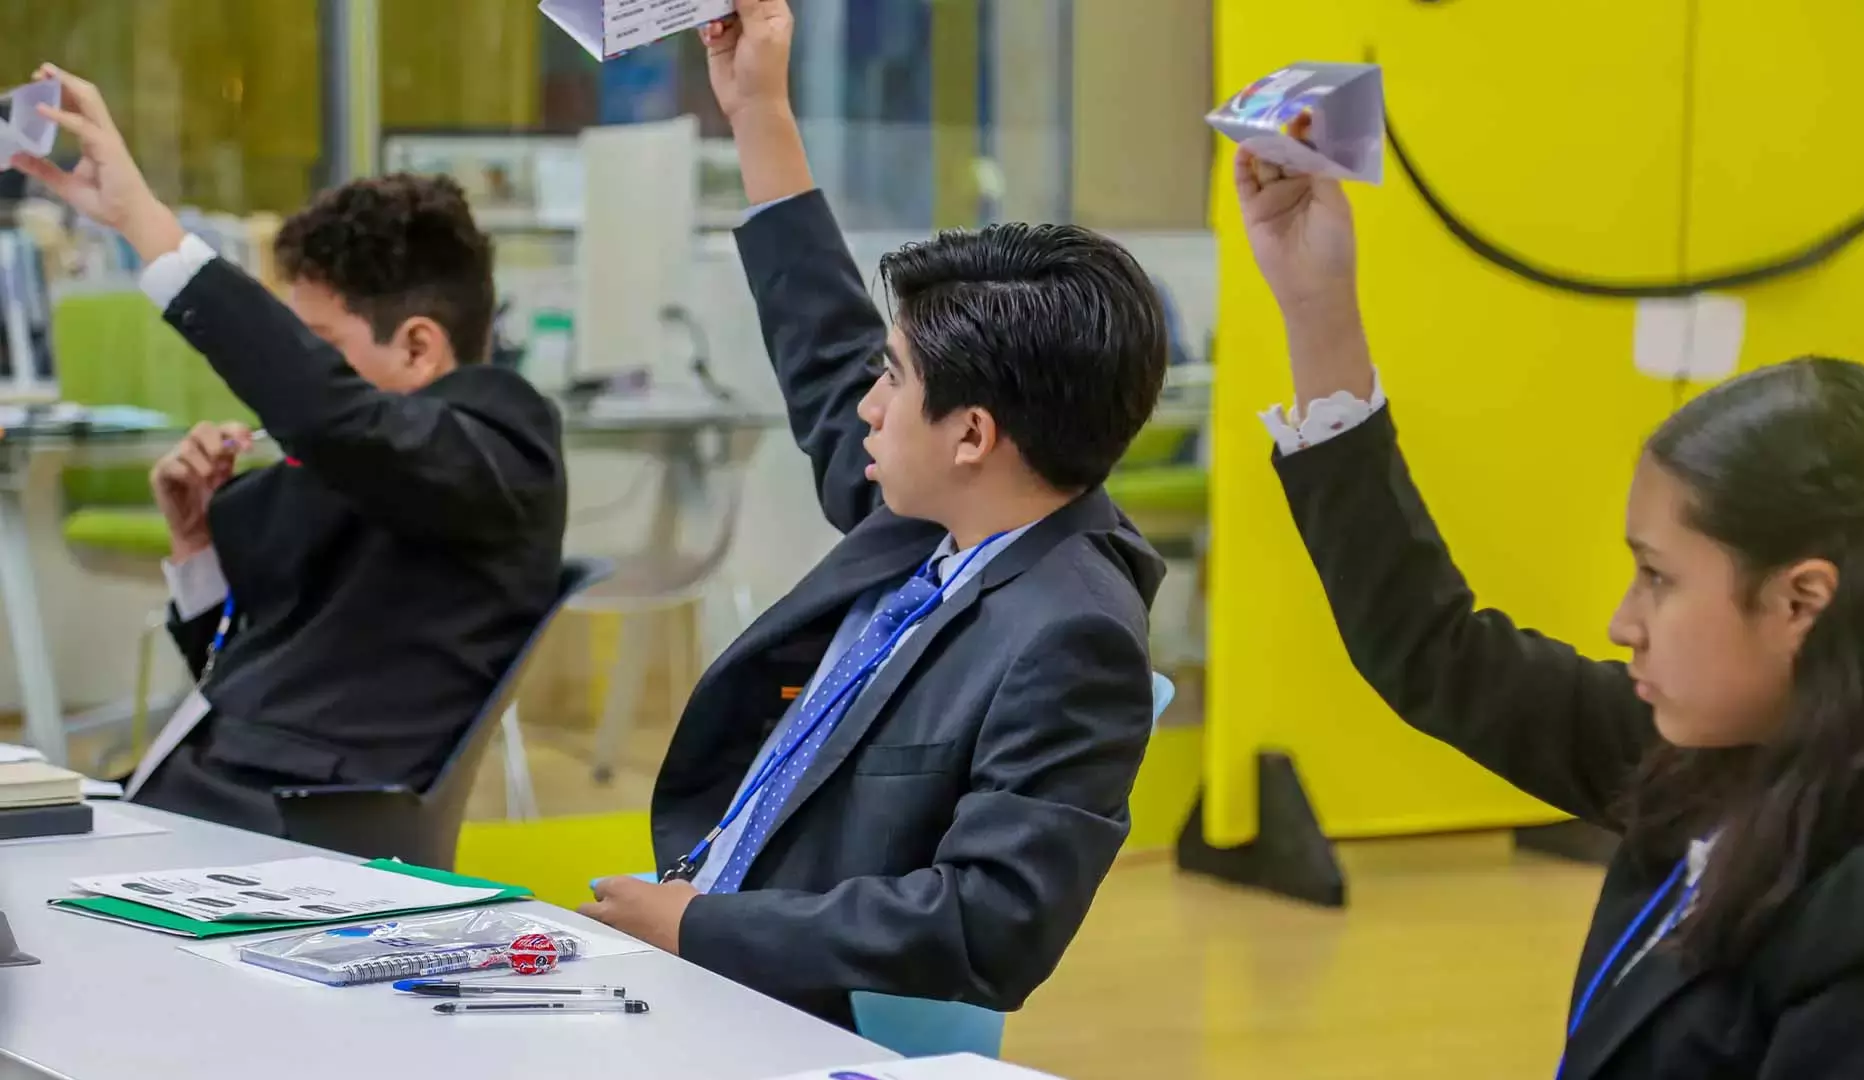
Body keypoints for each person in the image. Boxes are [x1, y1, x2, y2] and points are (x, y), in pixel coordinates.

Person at [1238, 144, 1864, 1078]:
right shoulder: (1706, 751)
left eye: (1659, 577)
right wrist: (1317, 307)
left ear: (1801, 599)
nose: (1622, 621)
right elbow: (1433, 651)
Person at [576, 0, 1168, 1027]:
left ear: (974, 434)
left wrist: (698, 927)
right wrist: (758, 106)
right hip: (699, 957)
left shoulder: (1072, 632)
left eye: (892, 381)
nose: (866, 406)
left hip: (783, 1011)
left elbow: (992, 923)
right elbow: (822, 344)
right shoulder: (948, 518)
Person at [9, 65, 566, 836]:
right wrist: (196, 548)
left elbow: (332, 414)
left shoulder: (503, 440)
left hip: (292, 826)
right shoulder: (383, 468)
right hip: (198, 794)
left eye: (321, 347)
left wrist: (147, 226)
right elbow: (264, 665)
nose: (303, 370)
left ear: (416, 348)